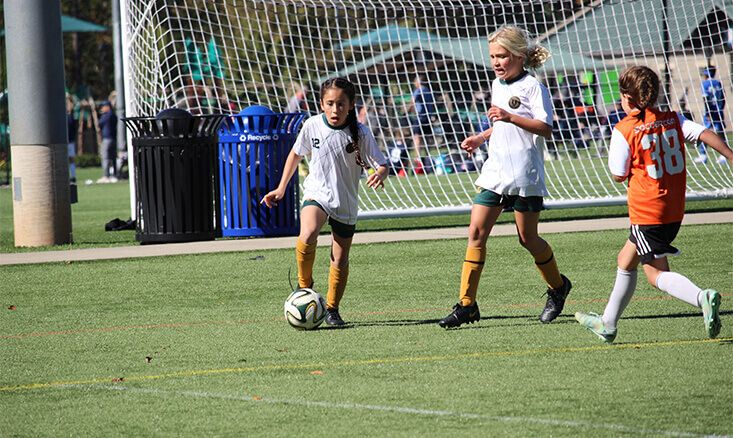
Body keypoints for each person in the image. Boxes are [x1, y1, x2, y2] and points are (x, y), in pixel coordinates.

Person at [575, 66, 733, 343]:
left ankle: (702, 297)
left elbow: (617, 174)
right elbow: (703, 133)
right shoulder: (672, 119)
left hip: (647, 211)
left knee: (656, 274)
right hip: (674, 209)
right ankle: (607, 324)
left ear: (627, 98)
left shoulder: (625, 129)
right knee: (625, 260)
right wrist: (730, 155)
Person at [438, 26, 572, 329]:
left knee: (528, 239)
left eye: (502, 56)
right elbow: (501, 125)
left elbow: (546, 128)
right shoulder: (497, 83)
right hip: (495, 172)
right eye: (493, 57)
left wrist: (510, 116)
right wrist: (482, 137)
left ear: (520, 55)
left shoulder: (533, 87)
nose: (496, 62)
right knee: (475, 233)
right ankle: (467, 305)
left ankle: (558, 287)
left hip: (525, 174)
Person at [261, 77, 389, 326]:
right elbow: (295, 155)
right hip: (317, 193)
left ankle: (332, 309)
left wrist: (379, 174)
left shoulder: (361, 133)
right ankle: (304, 286)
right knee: (308, 233)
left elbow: (382, 164)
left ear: (351, 105)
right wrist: (281, 187)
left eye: (341, 104)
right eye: (330, 103)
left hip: (345, 202)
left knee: (339, 259)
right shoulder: (312, 125)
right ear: (321, 104)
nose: (335, 109)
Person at [696, 67, 727, 164]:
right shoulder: (718, 83)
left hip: (710, 112)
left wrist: (708, 113)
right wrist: (721, 108)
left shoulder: (705, 84)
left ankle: (703, 155)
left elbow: (706, 100)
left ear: (706, 74)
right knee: (720, 133)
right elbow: (723, 98)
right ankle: (723, 155)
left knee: (703, 132)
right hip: (718, 112)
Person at [410, 74, 435, 158]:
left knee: (417, 136)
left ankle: (417, 156)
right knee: (427, 137)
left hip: (419, 117)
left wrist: (412, 109)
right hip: (427, 117)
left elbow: (413, 100)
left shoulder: (418, 90)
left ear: (417, 82)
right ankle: (428, 155)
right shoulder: (428, 90)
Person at [97, 100, 118, 183]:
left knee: (105, 157)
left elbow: (99, 124)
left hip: (107, 139)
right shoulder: (114, 115)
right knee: (113, 157)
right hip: (113, 138)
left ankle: (106, 175)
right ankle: (114, 175)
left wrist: (102, 115)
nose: (102, 109)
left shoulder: (106, 116)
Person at [67, 100, 77, 183]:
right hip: (71, 141)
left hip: (65, 142)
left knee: (65, 159)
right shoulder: (70, 117)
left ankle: (68, 177)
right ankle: (73, 176)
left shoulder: (62, 118)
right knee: (71, 159)